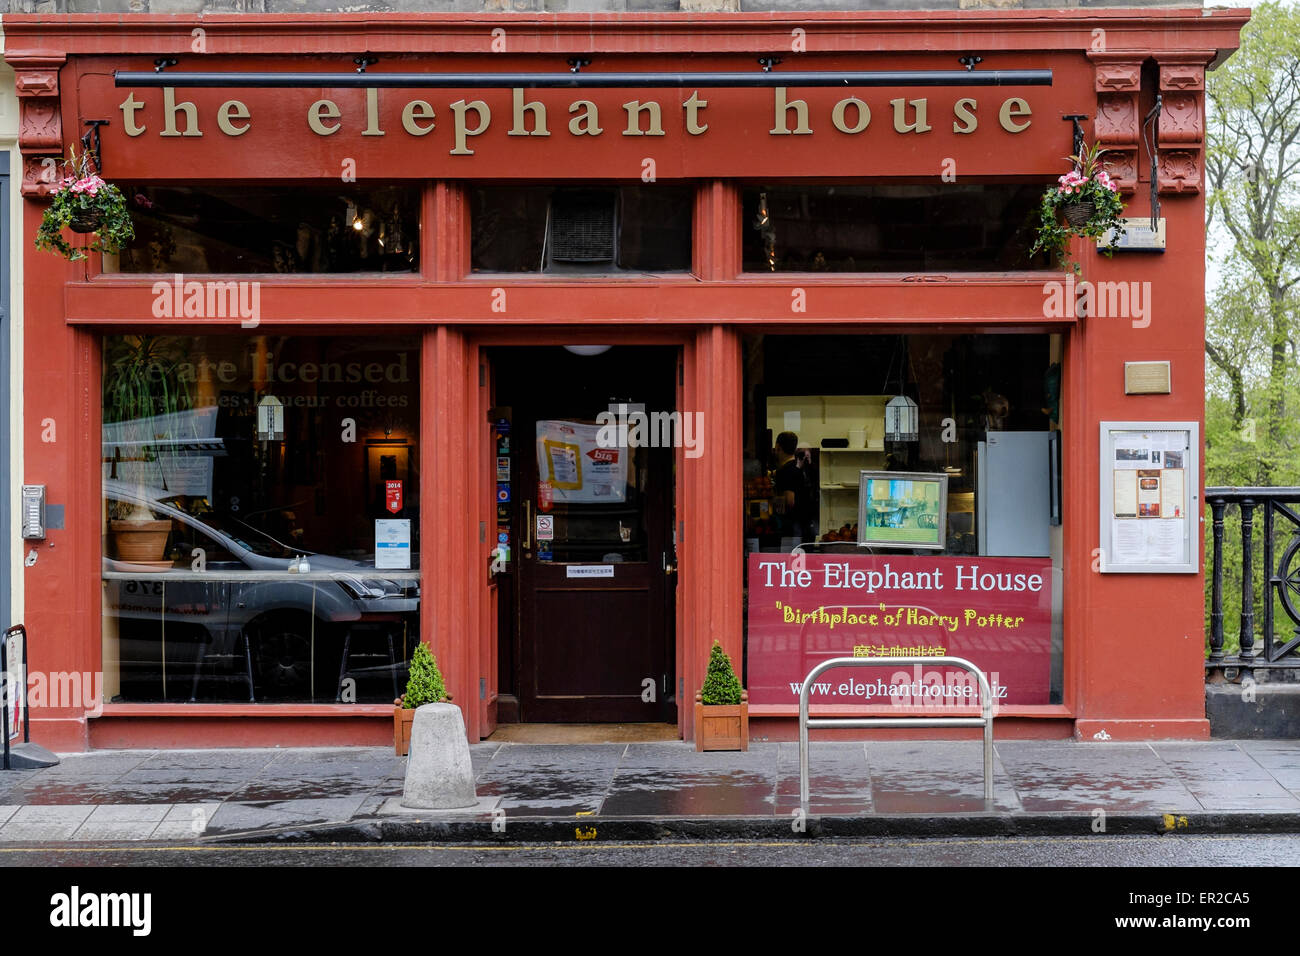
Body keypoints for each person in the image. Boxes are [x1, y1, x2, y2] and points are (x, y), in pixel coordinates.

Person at [772, 431, 815, 541]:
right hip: (808, 525)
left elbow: (790, 501)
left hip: (794, 529)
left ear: (778, 447)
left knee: (791, 557)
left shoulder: (785, 471)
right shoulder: (800, 467)